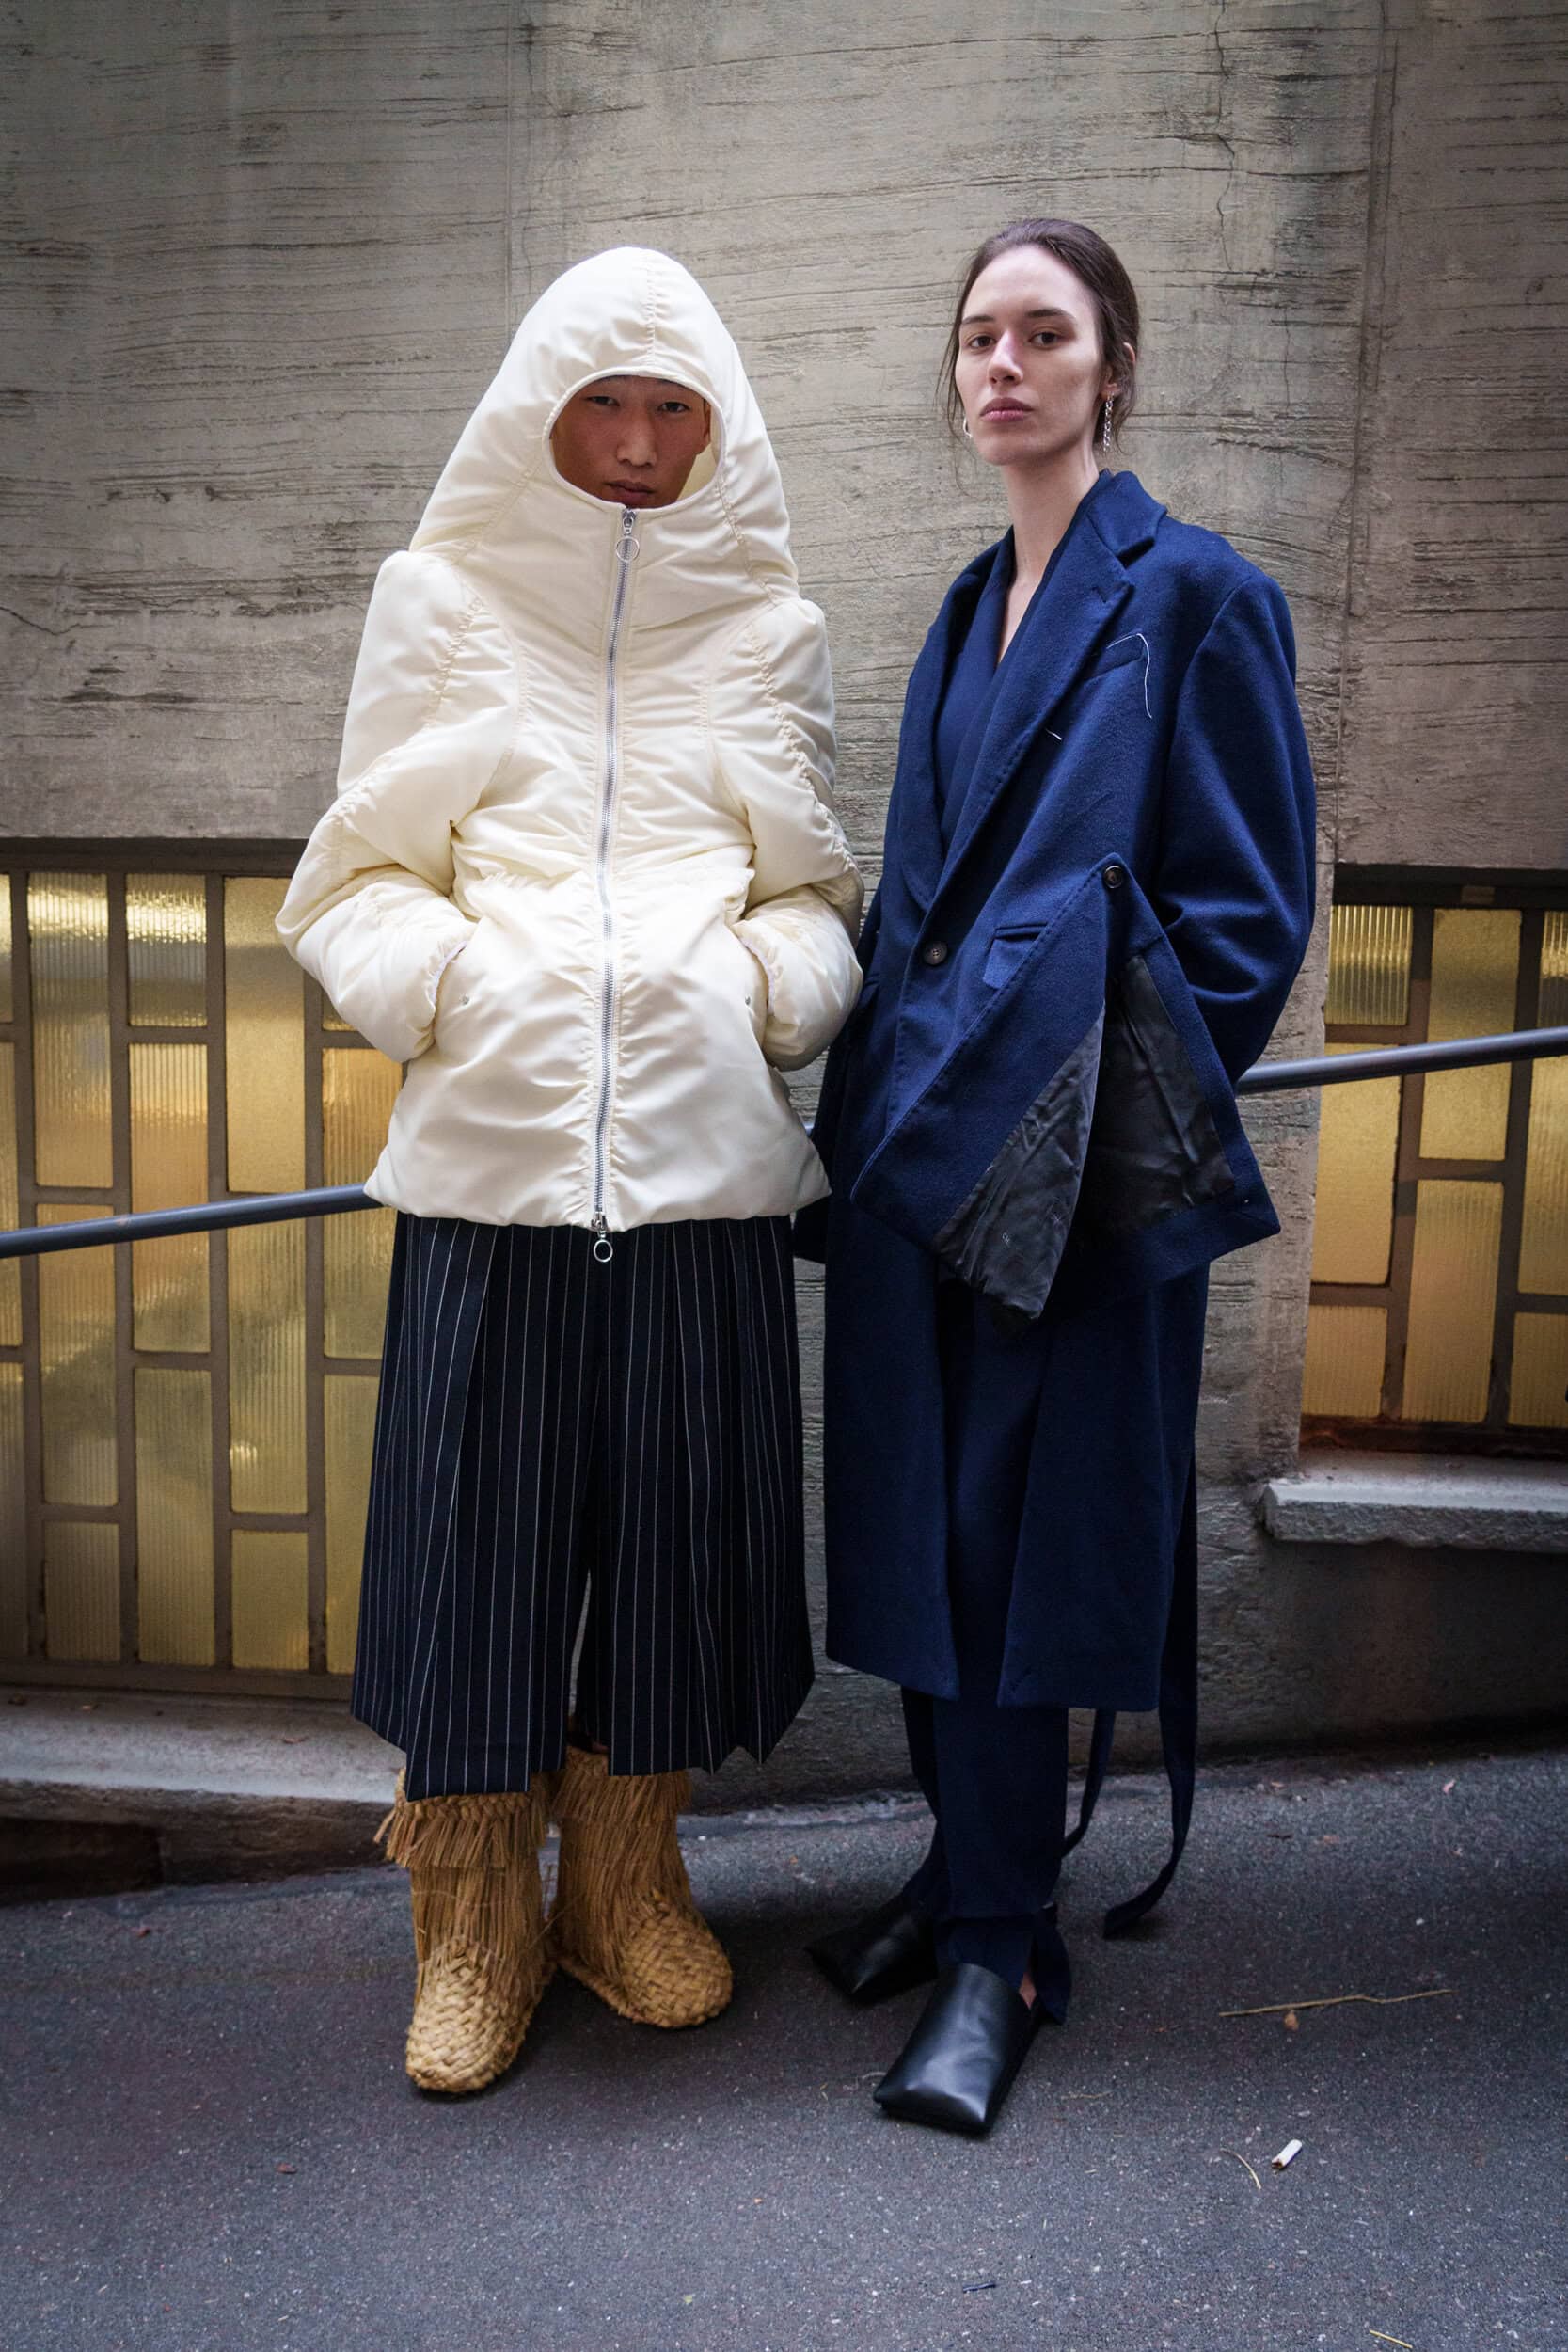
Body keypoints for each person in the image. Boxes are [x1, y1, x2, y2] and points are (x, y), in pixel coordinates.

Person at [277, 246, 863, 2095]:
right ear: (541, 415)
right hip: (492, 1179)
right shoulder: (437, 602)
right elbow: (355, 879)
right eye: (599, 407)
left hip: (703, 1184)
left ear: (718, 433)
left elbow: (817, 895)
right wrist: (465, 986)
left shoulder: (771, 632)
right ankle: (471, 1919)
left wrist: (763, 990)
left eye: (666, 411)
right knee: (475, 1552)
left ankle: (625, 1878)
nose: (628, 445)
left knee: (687, 1544)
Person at [799, 219, 1315, 2136]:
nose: (1003, 366)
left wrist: (1063, 1106)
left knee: (1021, 1550)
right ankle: (963, 1867)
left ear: (1115, 367)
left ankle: (1004, 1946)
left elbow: (1246, 923)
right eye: (977, 338)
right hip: (917, 1169)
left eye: (1046, 334)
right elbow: (921, 907)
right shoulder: (958, 610)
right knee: (928, 1540)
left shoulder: (1195, 598)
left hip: (1072, 1180)